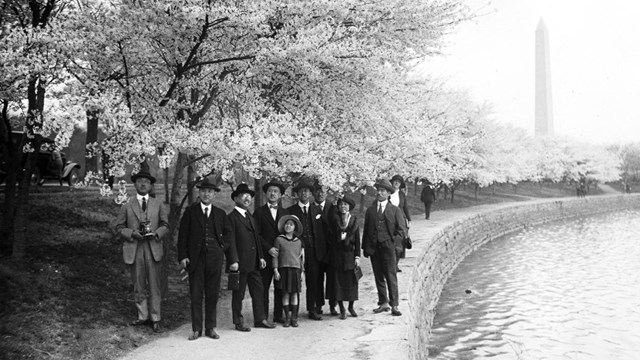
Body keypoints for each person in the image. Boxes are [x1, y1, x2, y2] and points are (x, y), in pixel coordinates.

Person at [114, 164, 169, 332]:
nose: (143, 184)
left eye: (146, 181)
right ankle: (142, 316)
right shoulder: (127, 205)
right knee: (138, 284)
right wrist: (131, 233)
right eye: (140, 181)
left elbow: (166, 225)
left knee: (154, 284)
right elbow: (117, 227)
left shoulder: (158, 204)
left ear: (151, 185)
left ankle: (155, 317)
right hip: (135, 247)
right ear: (135, 184)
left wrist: (157, 233)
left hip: (153, 247)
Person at [177, 177, 228, 340]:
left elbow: (228, 236)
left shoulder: (220, 213)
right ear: (199, 193)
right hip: (195, 259)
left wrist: (221, 250)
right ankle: (196, 329)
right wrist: (183, 256)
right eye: (204, 191)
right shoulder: (191, 211)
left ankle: (210, 328)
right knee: (196, 294)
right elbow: (182, 236)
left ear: (214, 194)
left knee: (213, 294)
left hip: (214, 258)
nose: (207, 194)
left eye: (210, 191)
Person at [225, 183, 276, 331]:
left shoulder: (250, 217)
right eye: (243, 195)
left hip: (254, 262)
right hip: (240, 263)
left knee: (258, 291)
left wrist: (261, 257)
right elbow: (230, 241)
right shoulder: (231, 218)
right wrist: (233, 260)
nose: (247, 198)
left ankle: (260, 319)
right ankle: (238, 322)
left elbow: (256, 238)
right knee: (238, 294)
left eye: (249, 196)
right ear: (235, 198)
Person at [362, 179, 407, 316]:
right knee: (378, 276)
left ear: (388, 194)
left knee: (390, 276)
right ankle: (383, 302)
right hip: (374, 248)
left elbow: (401, 230)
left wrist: (393, 243)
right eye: (378, 190)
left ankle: (395, 305)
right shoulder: (370, 210)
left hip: (389, 248)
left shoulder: (395, 210)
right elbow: (367, 230)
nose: (379, 193)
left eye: (383, 191)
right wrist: (365, 247)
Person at [287, 178, 328, 320]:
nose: (304, 193)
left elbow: (324, 230)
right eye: (301, 191)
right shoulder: (291, 211)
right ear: (297, 194)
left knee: (314, 280)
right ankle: (292, 310)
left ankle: (313, 308)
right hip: (296, 250)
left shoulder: (317, 210)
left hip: (315, 250)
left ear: (311, 193)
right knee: (294, 279)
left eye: (307, 191)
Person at [253, 179, 289, 324]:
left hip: (282, 256)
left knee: (280, 286)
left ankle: (278, 315)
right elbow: (256, 234)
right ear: (266, 194)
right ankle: (263, 317)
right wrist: (268, 248)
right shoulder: (259, 212)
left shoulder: (285, 213)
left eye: (276, 191)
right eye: (270, 191)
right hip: (266, 256)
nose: (273, 194)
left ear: (280, 195)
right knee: (264, 286)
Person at [326, 196, 361, 320]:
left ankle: (351, 306)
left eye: (346, 205)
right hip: (337, 255)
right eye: (341, 204)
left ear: (350, 207)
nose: (343, 207)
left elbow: (357, 241)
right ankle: (341, 308)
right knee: (338, 282)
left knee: (351, 282)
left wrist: (357, 256)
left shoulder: (354, 221)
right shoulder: (334, 220)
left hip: (350, 256)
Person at [273, 215, 305, 327]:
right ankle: (286, 317)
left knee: (294, 294)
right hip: (283, 270)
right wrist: (276, 270)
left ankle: (294, 318)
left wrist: (302, 272)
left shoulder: (298, 242)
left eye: (291, 224)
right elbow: (275, 256)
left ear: (294, 228)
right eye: (286, 224)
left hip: (295, 270)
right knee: (285, 293)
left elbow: (300, 258)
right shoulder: (279, 239)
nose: (288, 226)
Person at [313, 181, 338, 315]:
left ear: (327, 192)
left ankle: (333, 305)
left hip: (331, 250)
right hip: (316, 250)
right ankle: (318, 305)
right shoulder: (310, 208)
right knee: (317, 279)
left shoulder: (333, 207)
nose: (320, 193)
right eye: (317, 190)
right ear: (313, 192)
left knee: (332, 278)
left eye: (323, 191)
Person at [389, 174, 411, 272]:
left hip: (400, 219)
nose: (396, 183)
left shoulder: (401, 194)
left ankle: (395, 264)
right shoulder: (388, 193)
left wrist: (409, 220)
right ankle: (390, 263)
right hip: (389, 218)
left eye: (399, 182)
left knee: (400, 241)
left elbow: (405, 207)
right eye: (395, 181)